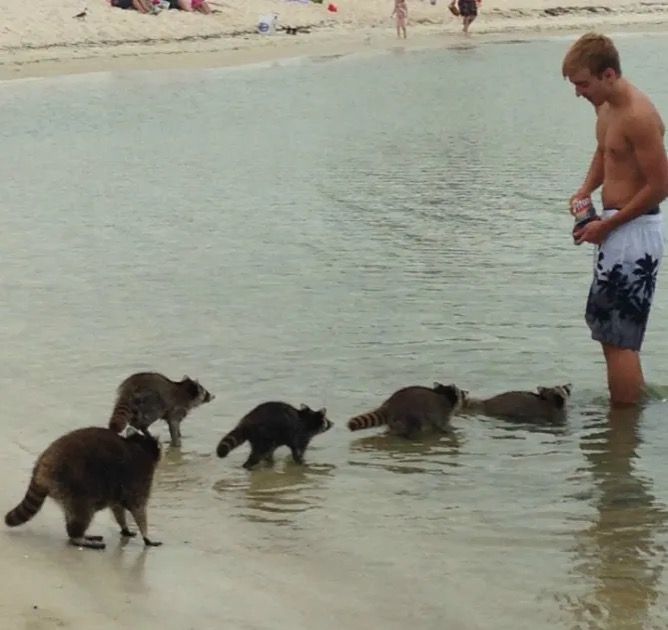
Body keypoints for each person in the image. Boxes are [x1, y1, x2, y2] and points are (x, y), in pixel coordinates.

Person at [562, 32, 668, 405]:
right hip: (615, 228)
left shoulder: (639, 116)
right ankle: (626, 416)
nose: (578, 92)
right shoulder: (606, 108)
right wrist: (584, 192)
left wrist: (607, 226)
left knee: (620, 338)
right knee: (608, 333)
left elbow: (660, 187)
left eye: (583, 84)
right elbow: (605, 151)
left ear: (608, 75)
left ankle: (622, 430)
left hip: (634, 233)